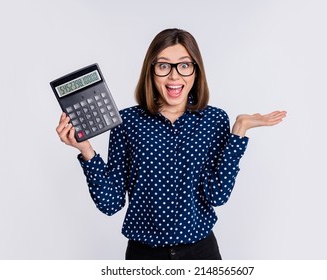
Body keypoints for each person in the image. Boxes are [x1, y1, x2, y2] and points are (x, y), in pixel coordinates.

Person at [56, 28, 286, 260]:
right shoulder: (126, 122)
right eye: (164, 66)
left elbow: (218, 195)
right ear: (151, 71)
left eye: (184, 65)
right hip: (143, 257)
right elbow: (111, 203)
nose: (174, 76)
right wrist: (86, 151)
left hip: (201, 253)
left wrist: (240, 130)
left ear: (196, 71)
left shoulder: (214, 120)